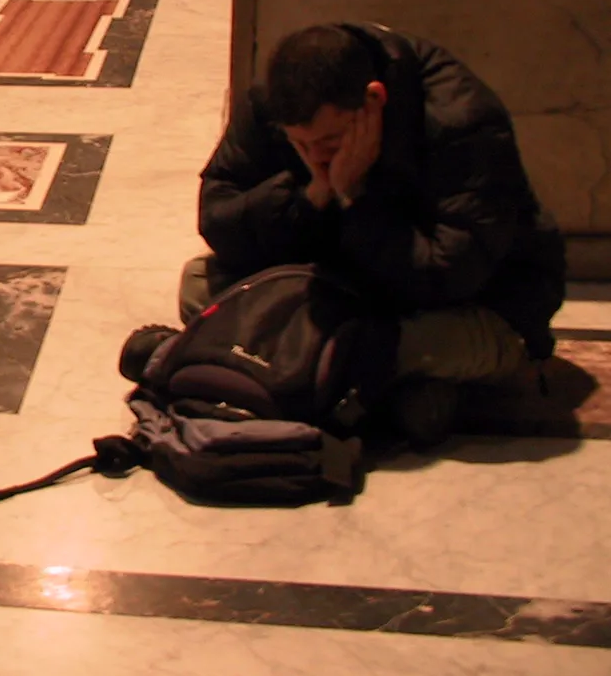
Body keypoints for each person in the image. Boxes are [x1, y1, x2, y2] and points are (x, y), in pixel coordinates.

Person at [185, 22, 566, 445]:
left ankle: (304, 367)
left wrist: (356, 199)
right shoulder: (270, 103)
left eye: (330, 141)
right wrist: (312, 195)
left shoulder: (462, 121)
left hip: (466, 305)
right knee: (199, 284)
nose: (315, 156)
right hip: (347, 291)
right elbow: (219, 221)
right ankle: (377, 386)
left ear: (374, 99)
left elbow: (448, 276)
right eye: (300, 144)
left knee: (417, 342)